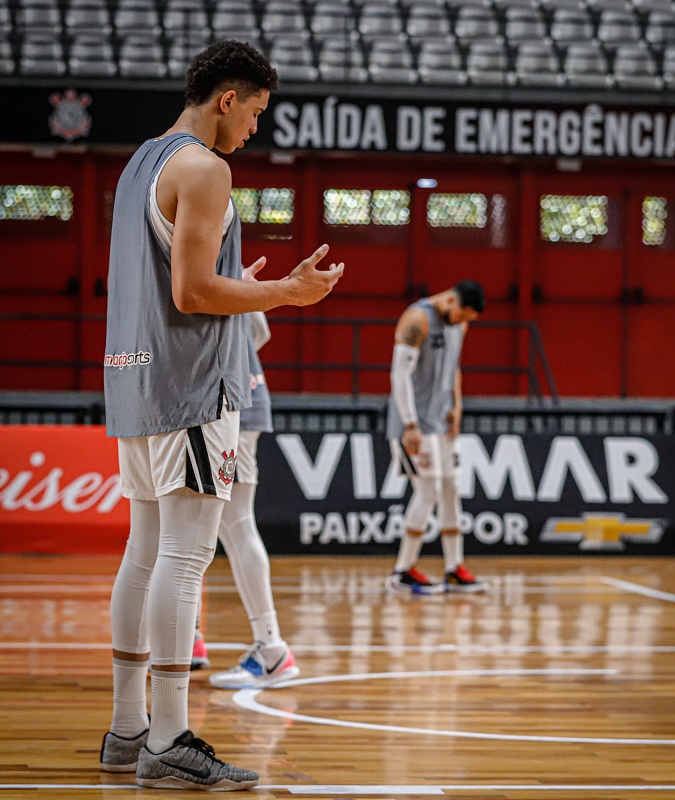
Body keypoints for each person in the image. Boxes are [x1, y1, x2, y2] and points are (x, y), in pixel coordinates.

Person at [100, 40, 344, 791]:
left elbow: (181, 277)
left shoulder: (143, 158)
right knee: (185, 557)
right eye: (257, 113)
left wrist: (241, 286)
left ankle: (127, 729)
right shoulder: (206, 167)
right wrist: (286, 296)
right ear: (227, 99)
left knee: (144, 553)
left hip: (133, 383)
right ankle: (169, 738)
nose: (255, 130)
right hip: (191, 390)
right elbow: (194, 295)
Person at [194, 312, 300, 690]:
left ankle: (271, 648)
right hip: (241, 397)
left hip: (226, 404)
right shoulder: (231, 267)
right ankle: (190, 639)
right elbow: (262, 330)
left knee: (234, 525)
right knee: (205, 526)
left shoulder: (200, 262)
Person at [385, 281, 488, 595]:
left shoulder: (460, 323)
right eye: (462, 314)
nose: (462, 321)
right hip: (414, 424)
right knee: (428, 491)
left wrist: (458, 404)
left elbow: (454, 365)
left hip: (442, 423)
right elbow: (399, 374)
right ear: (452, 300)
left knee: (450, 490)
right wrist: (410, 424)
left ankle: (454, 567)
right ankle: (402, 570)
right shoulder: (417, 319)